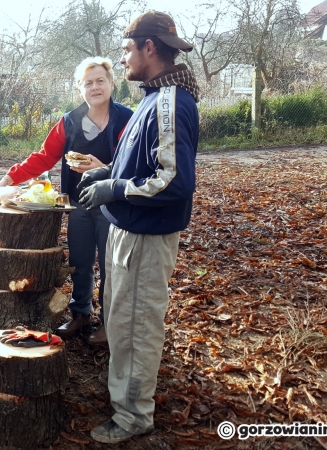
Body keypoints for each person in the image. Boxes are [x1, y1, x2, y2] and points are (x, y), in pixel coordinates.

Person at [76, 11, 200, 444]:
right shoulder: (154, 97)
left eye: (128, 48)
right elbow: (147, 164)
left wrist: (117, 189)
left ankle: (132, 418)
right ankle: (122, 398)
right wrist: (107, 172)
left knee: (135, 328)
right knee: (120, 322)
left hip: (145, 239)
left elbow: (174, 180)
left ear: (150, 47)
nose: (124, 57)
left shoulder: (169, 103)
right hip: (129, 232)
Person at [0, 57, 133, 343]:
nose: (95, 87)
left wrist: (103, 167)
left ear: (112, 84)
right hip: (79, 203)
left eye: (100, 81)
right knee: (80, 262)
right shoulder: (69, 121)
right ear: (79, 89)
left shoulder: (126, 119)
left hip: (113, 205)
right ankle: (80, 314)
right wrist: (10, 178)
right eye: (88, 83)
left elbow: (132, 163)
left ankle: (109, 322)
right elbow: (45, 156)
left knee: (110, 265)